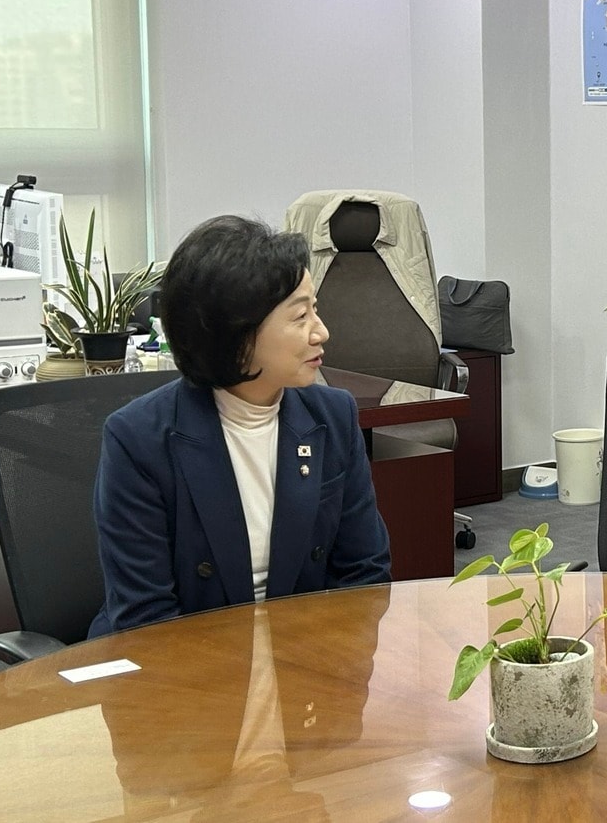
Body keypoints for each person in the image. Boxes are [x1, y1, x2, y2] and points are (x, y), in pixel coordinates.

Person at [89, 215, 391, 637]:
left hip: (305, 660)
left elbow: (363, 575)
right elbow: (147, 621)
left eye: (315, 311)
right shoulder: (138, 438)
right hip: (182, 673)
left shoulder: (332, 416)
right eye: (300, 316)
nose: (321, 332)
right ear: (237, 334)